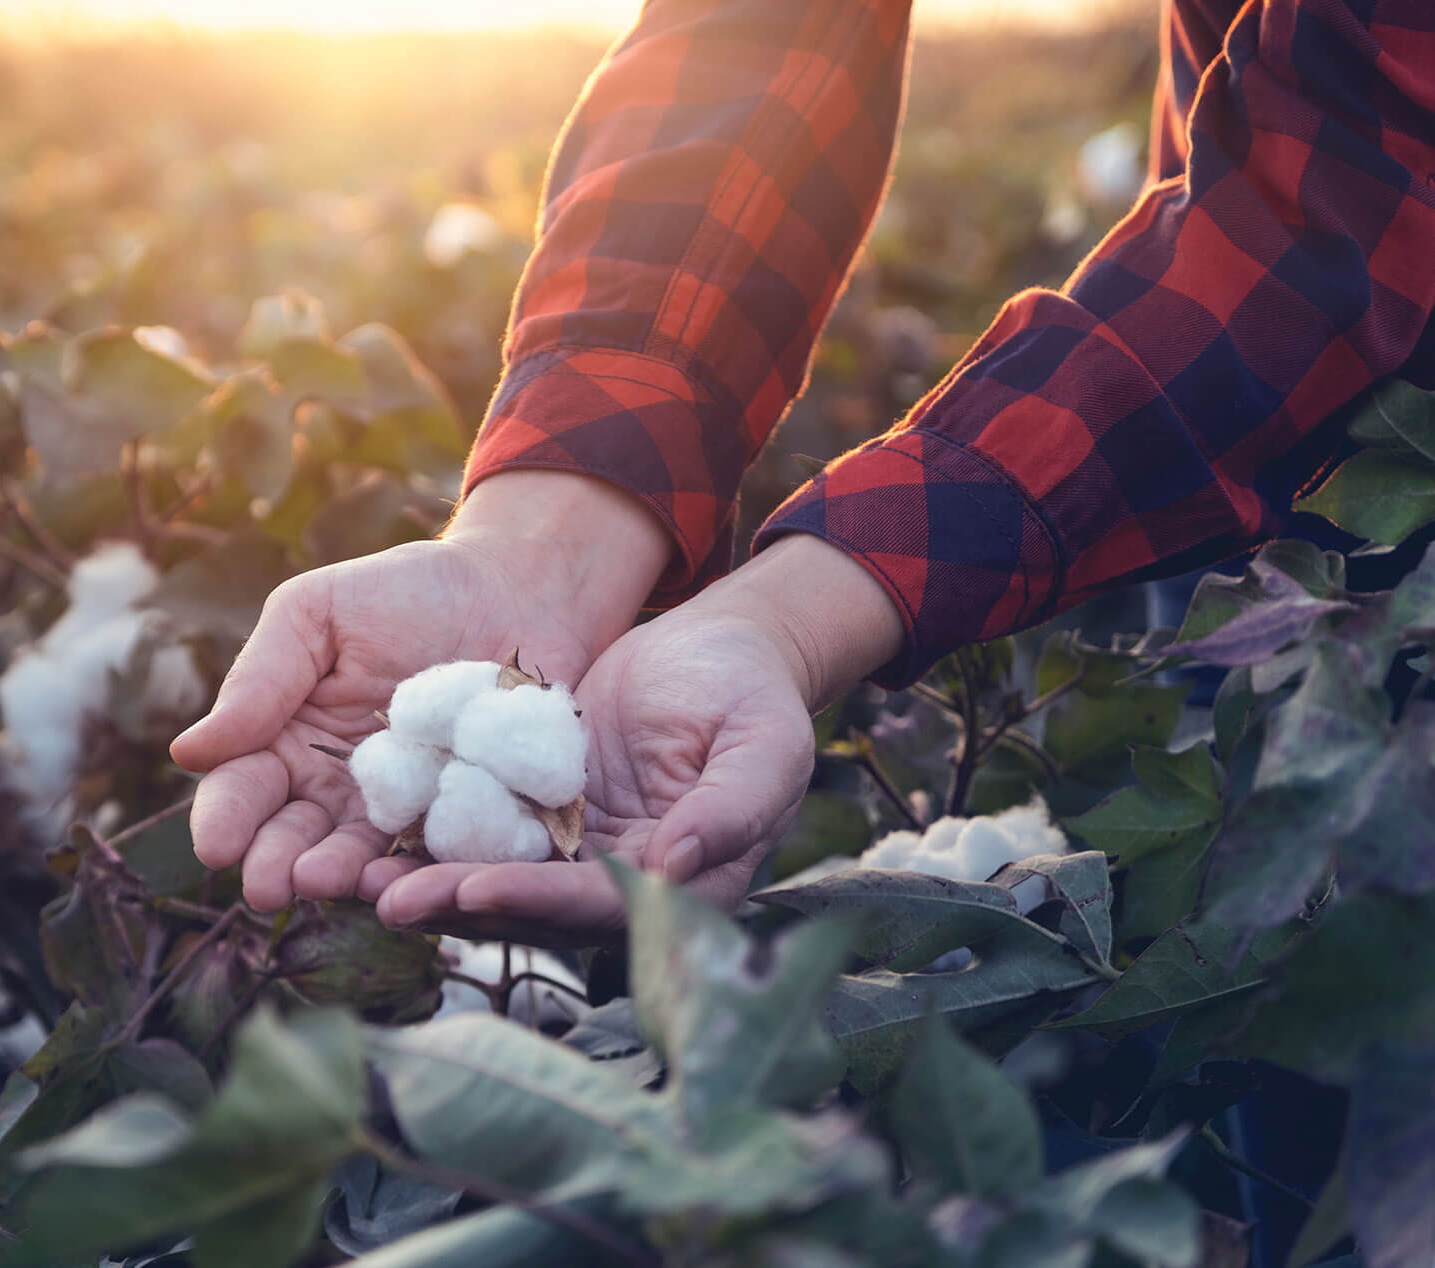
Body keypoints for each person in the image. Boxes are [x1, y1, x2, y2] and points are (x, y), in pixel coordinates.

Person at [171, 0, 1435, 944]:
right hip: (1275, 462)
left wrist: (798, 606)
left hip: (1370, 429)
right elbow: (760, 33)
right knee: (1274, 1008)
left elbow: (1352, 176)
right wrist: (547, 525)